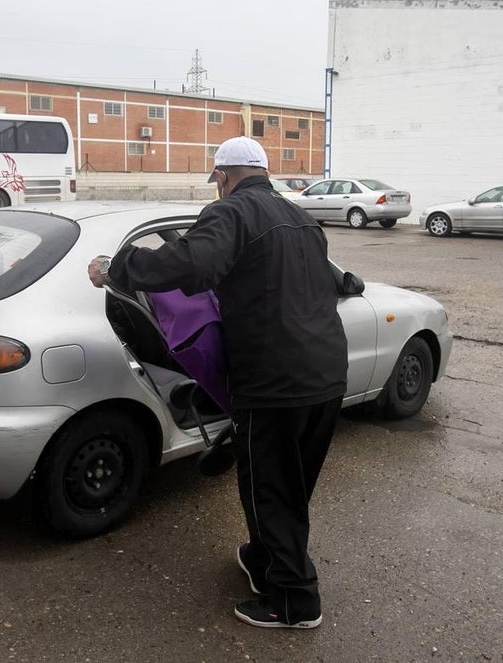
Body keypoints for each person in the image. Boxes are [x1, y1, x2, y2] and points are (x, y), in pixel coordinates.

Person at [87, 136, 347, 629]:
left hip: (272, 382)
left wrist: (118, 267)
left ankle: (294, 601)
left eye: (217, 181)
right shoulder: (304, 220)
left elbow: (191, 266)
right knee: (291, 484)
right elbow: (325, 285)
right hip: (327, 375)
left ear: (223, 177)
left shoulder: (230, 214)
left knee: (269, 487)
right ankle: (265, 559)